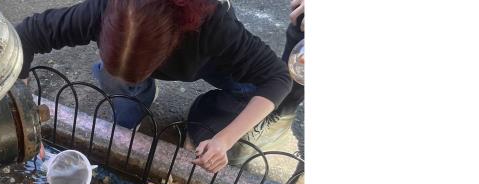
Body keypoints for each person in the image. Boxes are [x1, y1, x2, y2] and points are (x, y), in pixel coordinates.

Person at [15, 0, 293, 173]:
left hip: (212, 62)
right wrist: (26, 119)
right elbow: (24, 36)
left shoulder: (213, 25)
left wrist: (224, 139)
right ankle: (133, 98)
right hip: (157, 56)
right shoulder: (103, 9)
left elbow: (278, 78)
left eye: (139, 74)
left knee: (244, 99)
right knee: (118, 83)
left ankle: (208, 114)